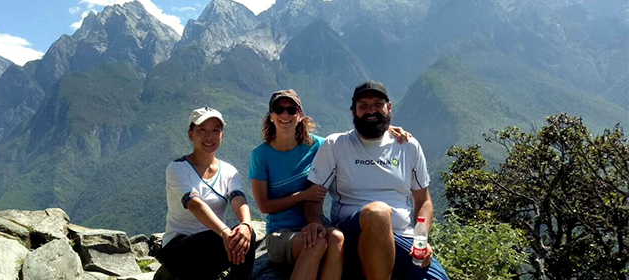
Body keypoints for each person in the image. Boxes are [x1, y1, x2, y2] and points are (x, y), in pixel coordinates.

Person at [249, 89, 411, 280]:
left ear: (300, 116)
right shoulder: (260, 156)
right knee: (316, 243)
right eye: (279, 109)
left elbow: (353, 142)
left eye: (291, 110)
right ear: (271, 116)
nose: (285, 114)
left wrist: (385, 131)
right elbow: (264, 206)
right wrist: (303, 196)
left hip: (317, 225)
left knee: (337, 238)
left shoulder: (317, 146)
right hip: (281, 232)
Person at [304, 81, 449, 280]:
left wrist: (421, 238)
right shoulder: (336, 145)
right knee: (378, 212)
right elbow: (313, 196)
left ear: (389, 107)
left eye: (378, 105)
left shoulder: (408, 146)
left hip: (402, 236)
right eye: (363, 106)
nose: (371, 111)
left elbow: (423, 200)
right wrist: (317, 224)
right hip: (353, 232)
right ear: (353, 111)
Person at [158, 107, 256, 280]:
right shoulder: (177, 168)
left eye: (215, 131)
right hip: (179, 249)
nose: (208, 136)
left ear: (222, 136)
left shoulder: (228, 171)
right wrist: (225, 232)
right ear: (191, 134)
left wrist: (246, 225)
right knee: (221, 238)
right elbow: (195, 204)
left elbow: (238, 198)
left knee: (245, 236)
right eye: (201, 130)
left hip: (216, 243)